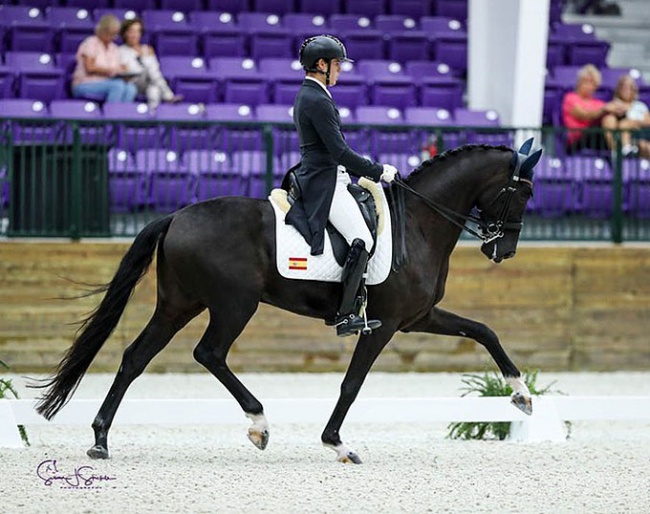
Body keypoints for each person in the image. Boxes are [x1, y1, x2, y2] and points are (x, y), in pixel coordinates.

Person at [286, 35, 397, 338]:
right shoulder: (316, 98)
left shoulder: (313, 94)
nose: (340, 71)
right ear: (321, 64)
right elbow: (339, 152)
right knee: (362, 239)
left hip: (328, 174)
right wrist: (377, 171)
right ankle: (346, 313)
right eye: (337, 64)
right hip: (324, 180)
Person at [561, 64, 626, 154]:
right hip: (578, 138)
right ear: (579, 82)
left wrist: (618, 108)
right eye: (586, 82)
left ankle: (623, 149)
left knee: (614, 118)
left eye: (592, 83)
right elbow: (584, 115)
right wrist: (604, 110)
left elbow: (608, 110)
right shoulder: (570, 98)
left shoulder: (598, 103)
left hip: (598, 137)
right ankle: (617, 153)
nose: (589, 86)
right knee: (608, 118)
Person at [118, 18, 182, 109]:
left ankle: (152, 116)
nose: (134, 35)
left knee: (154, 90)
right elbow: (125, 71)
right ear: (125, 34)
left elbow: (155, 69)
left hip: (148, 82)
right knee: (150, 71)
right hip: (131, 83)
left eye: (137, 31)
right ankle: (169, 96)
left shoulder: (147, 49)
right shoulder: (120, 51)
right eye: (131, 31)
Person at [71, 14, 137, 103]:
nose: (113, 37)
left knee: (131, 88)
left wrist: (123, 71)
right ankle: (111, 114)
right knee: (117, 86)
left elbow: (119, 68)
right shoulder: (91, 42)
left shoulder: (114, 48)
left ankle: (123, 115)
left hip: (107, 82)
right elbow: (90, 67)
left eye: (115, 34)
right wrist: (111, 70)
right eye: (111, 34)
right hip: (85, 83)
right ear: (103, 31)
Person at [601, 74, 650, 158]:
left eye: (629, 88)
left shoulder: (640, 106)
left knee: (645, 146)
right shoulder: (614, 104)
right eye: (623, 88)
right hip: (619, 137)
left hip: (639, 137)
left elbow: (648, 121)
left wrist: (634, 123)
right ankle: (620, 151)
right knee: (615, 121)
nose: (626, 91)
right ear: (618, 90)